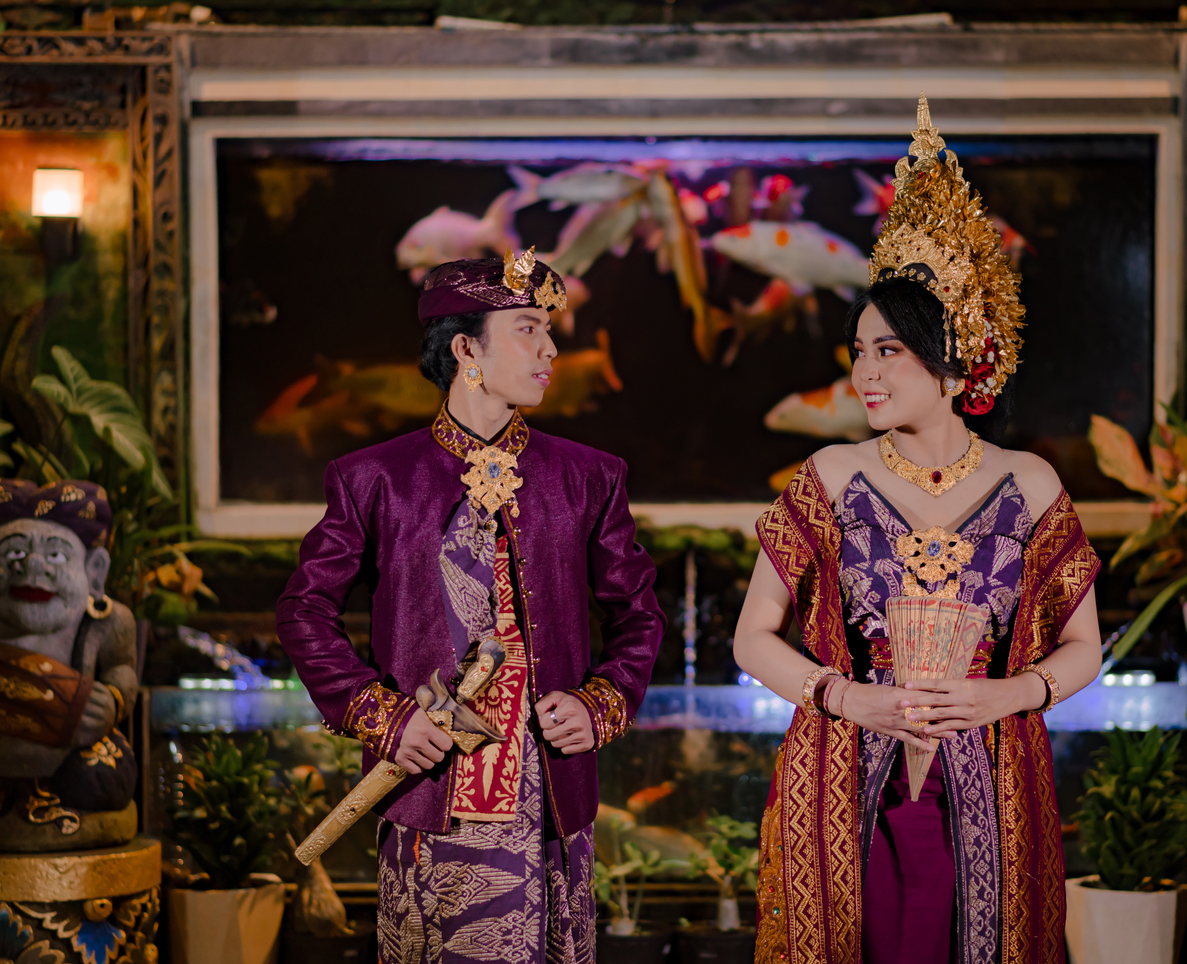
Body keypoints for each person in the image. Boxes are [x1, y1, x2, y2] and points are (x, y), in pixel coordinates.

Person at [734, 97, 1103, 964]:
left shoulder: (1029, 484)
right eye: (858, 351)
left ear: (954, 355)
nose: (864, 372)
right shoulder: (829, 477)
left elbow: (1086, 647)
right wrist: (845, 696)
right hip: (846, 771)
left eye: (888, 351)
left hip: (994, 777)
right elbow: (752, 639)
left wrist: (1011, 694)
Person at [277, 249, 666, 964]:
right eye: (527, 329)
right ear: (465, 350)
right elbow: (304, 612)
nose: (551, 350)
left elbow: (638, 613)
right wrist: (383, 717)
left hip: (551, 794)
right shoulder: (373, 479)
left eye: (549, 330)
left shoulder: (590, 477)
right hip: (431, 786)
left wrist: (602, 703)